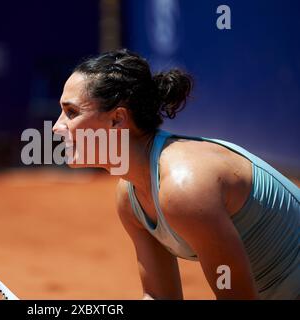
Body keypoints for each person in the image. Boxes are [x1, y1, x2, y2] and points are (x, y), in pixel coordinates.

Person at [52, 49, 299, 300]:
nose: (57, 127)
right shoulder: (129, 196)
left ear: (117, 119)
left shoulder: (185, 188)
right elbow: (160, 297)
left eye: (71, 112)